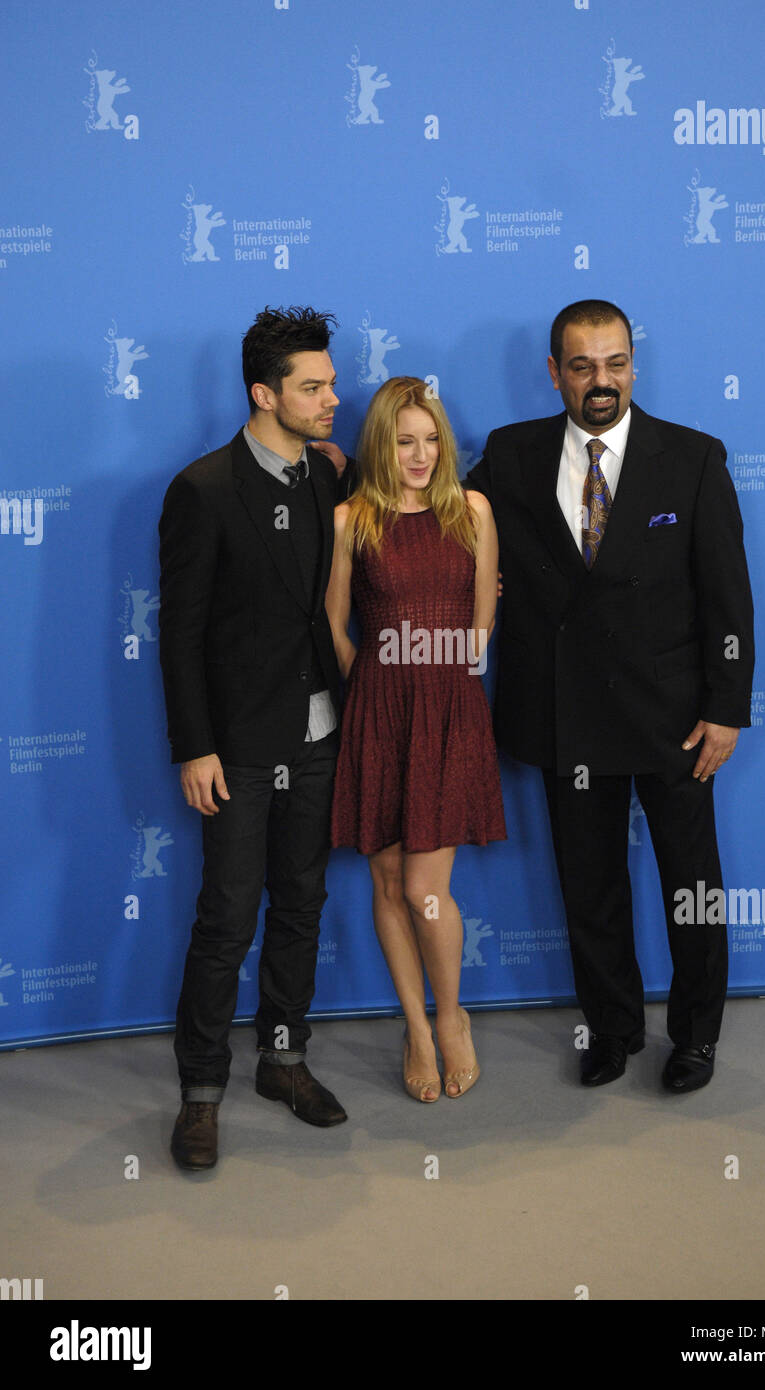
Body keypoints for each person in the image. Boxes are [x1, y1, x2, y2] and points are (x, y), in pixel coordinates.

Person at [465, 299, 754, 1094]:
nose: (602, 381)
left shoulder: (692, 459)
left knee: (690, 889)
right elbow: (447, 527)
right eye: (584, 365)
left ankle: (696, 1037)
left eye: (616, 363)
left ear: (635, 363)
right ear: (554, 372)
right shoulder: (510, 455)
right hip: (568, 717)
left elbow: (729, 596)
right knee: (589, 887)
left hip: (675, 720)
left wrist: (727, 707)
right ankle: (614, 1030)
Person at [158, 305, 351, 1170]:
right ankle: (202, 1090)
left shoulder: (325, 479)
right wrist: (194, 748)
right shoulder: (200, 490)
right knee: (228, 917)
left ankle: (283, 1058)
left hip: (319, 734)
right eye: (313, 388)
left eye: (332, 384)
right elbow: (181, 634)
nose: (331, 398)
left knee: (301, 905)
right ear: (263, 393)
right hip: (236, 748)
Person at [326, 378, 505, 1101]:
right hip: (380, 713)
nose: (422, 453)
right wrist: (372, 680)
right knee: (389, 880)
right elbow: (333, 621)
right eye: (404, 441)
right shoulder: (352, 520)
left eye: (431, 438)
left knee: (430, 889)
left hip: (449, 711)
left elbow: (484, 616)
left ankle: (453, 1016)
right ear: (380, 445)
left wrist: (446, 675)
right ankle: (416, 1027)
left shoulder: (473, 512)